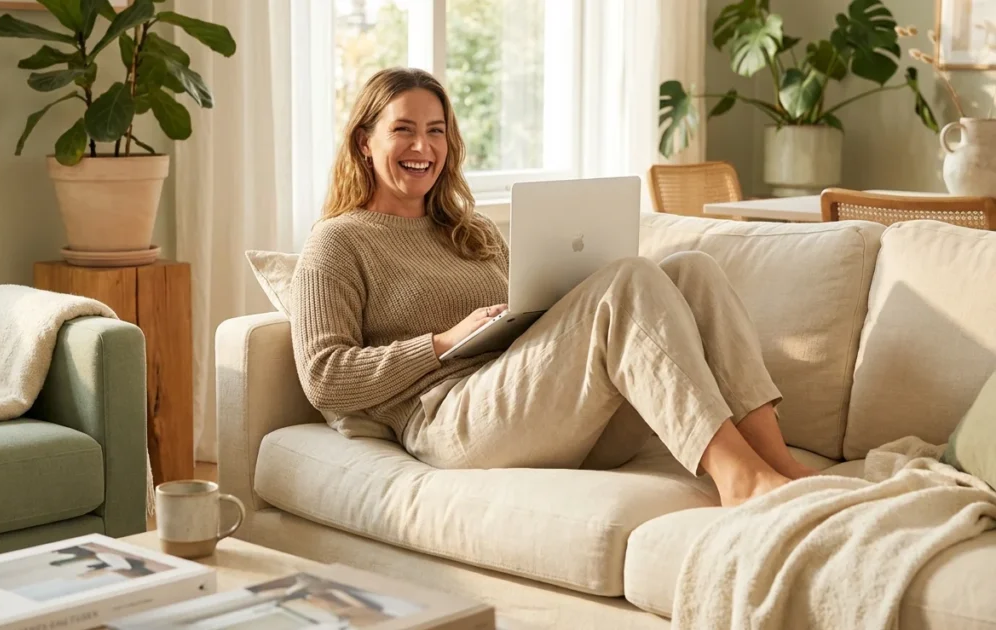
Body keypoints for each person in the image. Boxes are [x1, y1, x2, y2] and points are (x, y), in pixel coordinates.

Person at [289, 67, 816, 507]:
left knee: (692, 271)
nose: (423, 146)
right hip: (452, 420)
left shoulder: (471, 231)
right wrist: (443, 343)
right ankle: (738, 478)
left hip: (541, 408)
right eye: (403, 130)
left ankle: (780, 463)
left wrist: (562, 304)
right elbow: (323, 377)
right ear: (365, 142)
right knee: (631, 279)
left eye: (436, 130)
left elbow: (531, 325)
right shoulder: (338, 241)